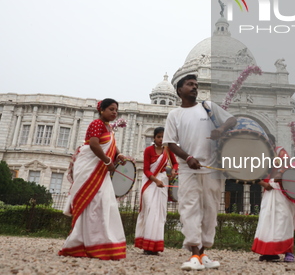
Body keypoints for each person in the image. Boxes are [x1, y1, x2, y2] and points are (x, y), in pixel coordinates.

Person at [163, 74, 237, 271]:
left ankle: (203, 253)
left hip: (212, 169)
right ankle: (194, 253)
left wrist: (220, 129)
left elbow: (232, 120)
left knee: (210, 212)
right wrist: (187, 158)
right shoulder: (174, 115)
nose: (194, 87)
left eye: (196, 85)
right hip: (188, 169)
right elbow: (170, 143)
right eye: (189, 84)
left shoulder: (208, 107)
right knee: (189, 209)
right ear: (179, 90)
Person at [58, 98, 127, 260]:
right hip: (90, 168)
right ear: (101, 110)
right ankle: (80, 243)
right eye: (111, 109)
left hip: (101, 171)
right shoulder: (96, 124)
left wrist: (119, 154)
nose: (114, 112)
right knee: (91, 203)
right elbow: (95, 145)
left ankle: (100, 242)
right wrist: (108, 161)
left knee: (103, 204)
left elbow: (110, 144)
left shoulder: (108, 127)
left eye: (116, 110)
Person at [252, 135, 295, 262]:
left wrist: (280, 175)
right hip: (269, 190)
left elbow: (287, 165)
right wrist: (264, 184)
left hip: (283, 189)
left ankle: (289, 252)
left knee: (284, 219)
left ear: (272, 143)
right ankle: (269, 252)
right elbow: (253, 174)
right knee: (267, 221)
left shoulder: (280, 152)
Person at [134, 126, 179, 255]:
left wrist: (174, 171)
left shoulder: (168, 150)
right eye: (158, 136)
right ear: (154, 138)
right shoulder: (148, 150)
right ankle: (146, 245)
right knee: (150, 211)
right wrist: (156, 180)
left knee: (159, 214)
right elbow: (147, 169)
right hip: (150, 183)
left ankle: (154, 246)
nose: (160, 139)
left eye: (163, 137)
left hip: (163, 183)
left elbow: (175, 164)